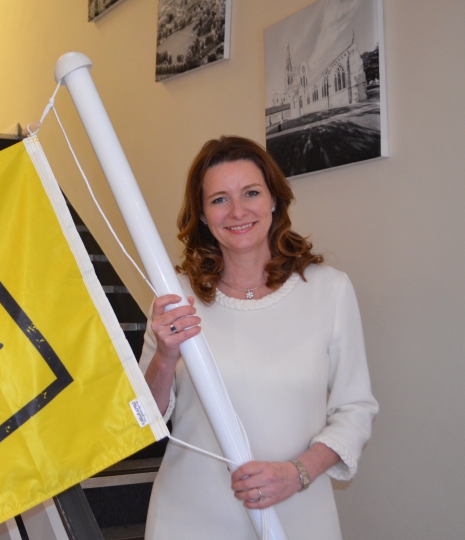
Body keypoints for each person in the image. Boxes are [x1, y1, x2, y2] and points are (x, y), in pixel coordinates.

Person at [140, 136, 378, 539]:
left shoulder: (329, 290)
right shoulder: (175, 296)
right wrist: (164, 357)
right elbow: (146, 418)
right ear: (201, 214)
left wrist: (297, 474)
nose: (237, 211)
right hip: (189, 518)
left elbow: (355, 409)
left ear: (274, 200)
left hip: (298, 512)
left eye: (251, 192)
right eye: (219, 199)